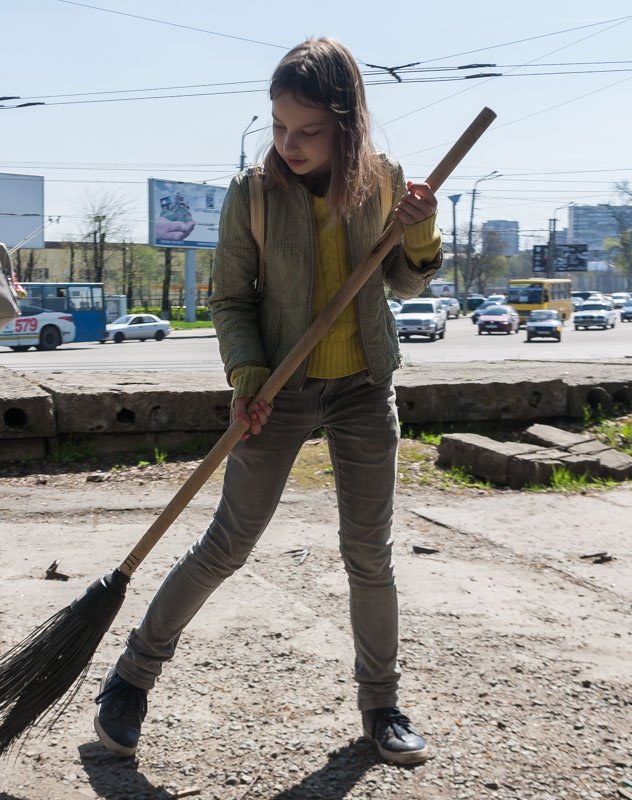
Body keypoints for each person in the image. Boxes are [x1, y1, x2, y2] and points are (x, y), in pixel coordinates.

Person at [94, 38, 442, 766]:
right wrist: (247, 374)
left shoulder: (384, 182)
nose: (290, 144)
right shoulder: (252, 193)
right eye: (280, 126)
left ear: (346, 124)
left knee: (368, 553)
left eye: (309, 130)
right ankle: (130, 679)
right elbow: (230, 299)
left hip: (364, 387)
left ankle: (381, 705)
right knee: (228, 542)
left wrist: (422, 229)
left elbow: (407, 284)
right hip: (278, 387)